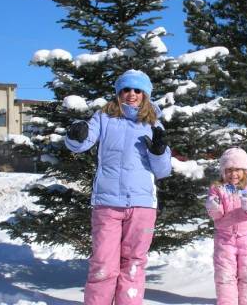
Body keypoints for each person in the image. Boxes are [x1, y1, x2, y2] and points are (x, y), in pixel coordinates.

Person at [65, 69, 172, 305]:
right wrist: (76, 135)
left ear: (145, 95)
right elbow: (80, 144)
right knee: (103, 263)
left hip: (142, 205)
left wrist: (158, 151)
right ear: (118, 93)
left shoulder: (154, 124)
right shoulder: (104, 117)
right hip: (106, 203)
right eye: (126, 89)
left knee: (133, 265)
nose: (131, 94)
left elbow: (163, 171)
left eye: (137, 90)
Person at [206, 147, 247, 305]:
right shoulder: (217, 188)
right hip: (224, 239)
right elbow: (214, 213)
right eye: (229, 170)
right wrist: (214, 207)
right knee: (224, 275)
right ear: (223, 171)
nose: (234, 174)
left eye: (238, 169)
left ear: (245, 170)